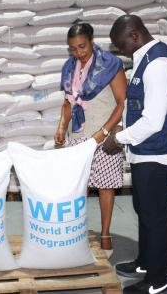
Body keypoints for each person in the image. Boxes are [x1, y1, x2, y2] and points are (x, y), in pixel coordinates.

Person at [105, 15, 167, 294]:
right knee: (143, 209)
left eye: (121, 45)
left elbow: (154, 121)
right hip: (146, 150)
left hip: (158, 152)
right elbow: (140, 105)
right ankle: (145, 263)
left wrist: (118, 138)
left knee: (154, 216)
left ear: (135, 35)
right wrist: (124, 126)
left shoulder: (158, 65)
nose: (120, 51)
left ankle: (158, 282)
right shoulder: (145, 57)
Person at [54, 22, 127, 258]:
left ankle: (105, 234)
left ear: (92, 41)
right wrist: (61, 127)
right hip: (78, 134)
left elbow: (122, 103)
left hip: (103, 135)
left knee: (105, 185)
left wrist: (104, 132)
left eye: (82, 47)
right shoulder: (69, 67)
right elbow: (68, 102)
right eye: (73, 49)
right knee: (78, 187)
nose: (78, 53)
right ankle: (77, 234)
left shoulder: (111, 65)